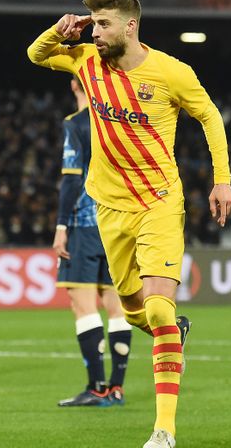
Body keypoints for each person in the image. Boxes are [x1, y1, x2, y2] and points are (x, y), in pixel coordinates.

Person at [27, 0, 231, 446]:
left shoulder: (171, 72)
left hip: (159, 203)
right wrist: (60, 30)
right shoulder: (86, 60)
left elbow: (211, 116)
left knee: (159, 308)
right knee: (134, 312)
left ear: (130, 26)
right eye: (93, 24)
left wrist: (222, 178)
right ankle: (172, 331)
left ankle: (164, 430)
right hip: (108, 207)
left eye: (103, 24)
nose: (95, 32)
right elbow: (36, 54)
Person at [55, 76, 133, 407]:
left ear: (75, 85)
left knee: (83, 305)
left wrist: (61, 226)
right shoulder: (119, 120)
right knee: (117, 307)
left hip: (85, 225)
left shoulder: (76, 124)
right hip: (118, 223)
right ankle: (115, 387)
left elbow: (72, 180)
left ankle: (96, 386)